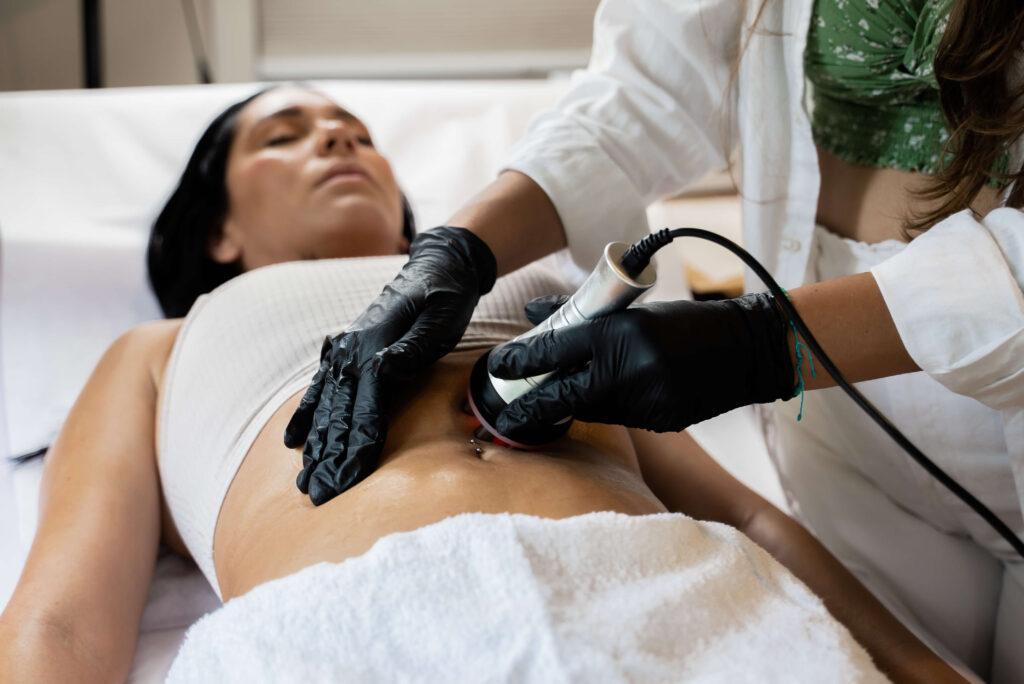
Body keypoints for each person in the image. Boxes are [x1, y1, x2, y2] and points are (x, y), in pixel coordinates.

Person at [0, 85, 961, 682]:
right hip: (342, 637)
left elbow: (744, 519)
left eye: (355, 130)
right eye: (283, 136)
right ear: (215, 230)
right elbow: (65, 617)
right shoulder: (163, 346)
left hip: (663, 595)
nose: (336, 141)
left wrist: (919, 668)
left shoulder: (540, 287)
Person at [288, 1, 1024, 681]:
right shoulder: (187, 335)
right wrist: (460, 247)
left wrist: (760, 343)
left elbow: (744, 514)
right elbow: (647, 91)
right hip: (845, 434)